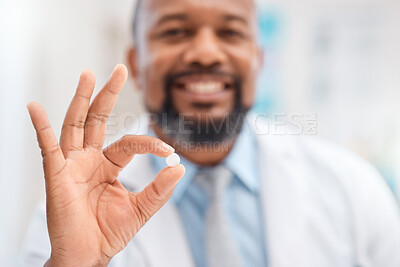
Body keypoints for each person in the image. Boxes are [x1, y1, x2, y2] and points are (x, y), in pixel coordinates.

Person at [21, 0, 400, 266]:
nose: (205, 52)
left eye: (231, 32)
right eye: (175, 31)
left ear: (259, 61)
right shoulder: (66, 223)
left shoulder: (354, 190)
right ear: (136, 64)